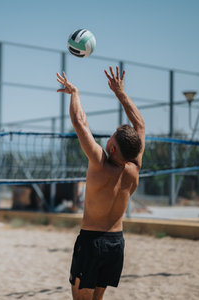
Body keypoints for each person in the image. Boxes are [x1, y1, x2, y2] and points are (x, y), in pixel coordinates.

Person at [57, 66, 145, 300]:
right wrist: (120, 93)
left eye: (111, 136)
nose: (108, 137)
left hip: (92, 242)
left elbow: (79, 121)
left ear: (112, 147)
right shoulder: (133, 169)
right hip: (116, 243)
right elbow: (140, 127)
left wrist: (75, 92)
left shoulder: (99, 163)